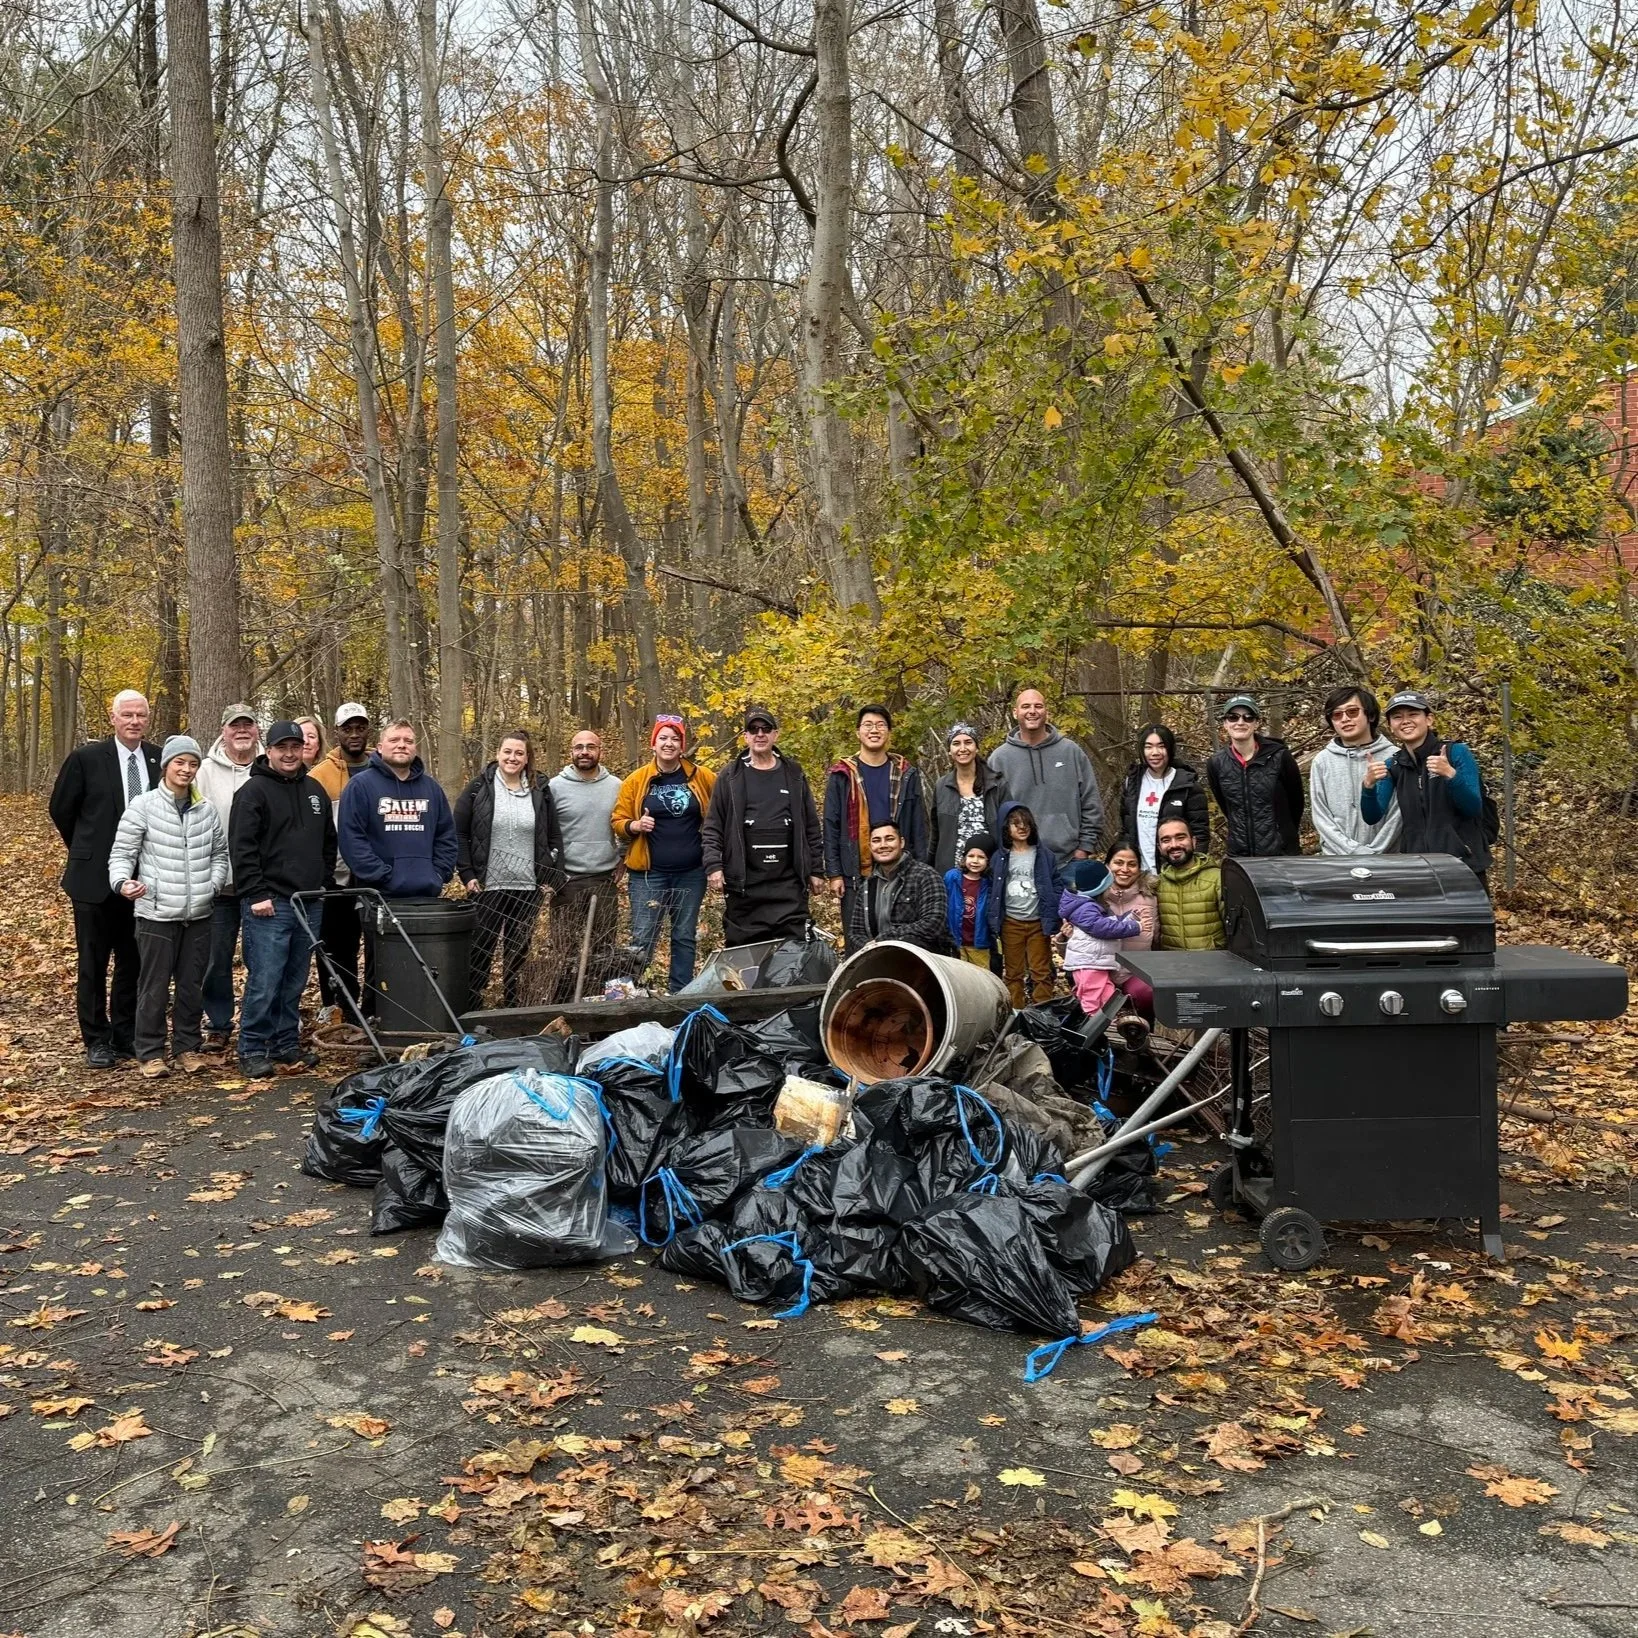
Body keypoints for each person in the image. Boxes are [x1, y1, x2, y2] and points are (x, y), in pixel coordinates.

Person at [49, 689, 162, 1068]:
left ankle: (124, 1033)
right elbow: (62, 809)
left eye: (140, 715)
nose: (134, 721)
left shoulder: (158, 758)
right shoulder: (86, 758)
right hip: (93, 879)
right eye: (127, 715)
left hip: (142, 879)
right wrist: (87, 848)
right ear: (113, 718)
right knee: (93, 962)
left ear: (148, 719)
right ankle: (96, 1038)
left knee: (133, 961)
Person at [107, 735, 229, 1078]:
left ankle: (187, 1049)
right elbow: (122, 853)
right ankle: (149, 1052)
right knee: (154, 986)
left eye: (192, 764)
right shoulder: (144, 806)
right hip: (156, 914)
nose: (186, 769)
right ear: (166, 766)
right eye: (180, 762)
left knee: (192, 986)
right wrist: (122, 882)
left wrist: (213, 885)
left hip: (199, 914)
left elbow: (220, 855)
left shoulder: (206, 810)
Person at [230, 721, 338, 1078]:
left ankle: (285, 1044)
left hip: (309, 901)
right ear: (269, 750)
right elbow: (242, 849)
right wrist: (256, 893)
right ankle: (252, 1048)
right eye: (282, 748)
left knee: (294, 979)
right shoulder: (253, 792)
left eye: (295, 747)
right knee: (265, 979)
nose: (289, 754)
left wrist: (321, 883)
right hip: (269, 904)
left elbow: (328, 842)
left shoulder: (314, 790)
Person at [456, 729, 563, 1009]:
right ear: (498, 754)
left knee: (518, 953)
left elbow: (553, 836)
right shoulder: (479, 788)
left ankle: (512, 1008)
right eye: (508, 752)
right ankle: (471, 1009)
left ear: (527, 758)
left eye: (519, 753)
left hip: (527, 887)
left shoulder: (540, 790)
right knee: (480, 950)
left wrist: (551, 871)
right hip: (487, 885)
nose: (512, 757)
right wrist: (467, 874)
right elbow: (459, 834)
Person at [702, 707, 825, 946]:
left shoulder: (794, 773)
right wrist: (714, 865)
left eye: (766, 729)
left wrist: (816, 870)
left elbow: (811, 825)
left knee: (794, 954)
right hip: (745, 887)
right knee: (745, 958)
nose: (760, 734)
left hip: (789, 886)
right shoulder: (730, 776)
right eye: (753, 729)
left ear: (775, 735)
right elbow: (713, 826)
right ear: (746, 736)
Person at [611, 715, 716, 993]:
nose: (669, 744)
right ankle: (633, 992)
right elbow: (618, 821)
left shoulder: (701, 777)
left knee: (684, 935)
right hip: (648, 874)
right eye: (664, 738)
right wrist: (635, 825)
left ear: (682, 745)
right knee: (643, 937)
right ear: (653, 744)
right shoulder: (636, 781)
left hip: (692, 872)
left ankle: (679, 991)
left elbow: (722, 810)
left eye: (675, 739)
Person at [824, 705, 929, 954]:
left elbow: (918, 824)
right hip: (855, 870)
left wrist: (921, 866)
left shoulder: (904, 773)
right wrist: (835, 873)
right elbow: (831, 823)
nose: (874, 730)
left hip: (900, 868)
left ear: (889, 732)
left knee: (902, 939)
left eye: (880, 725)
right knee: (858, 941)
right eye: (868, 725)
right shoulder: (843, 775)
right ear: (858, 732)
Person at [1362, 690, 1492, 883]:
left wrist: (1450, 775)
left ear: (1429, 719)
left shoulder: (1456, 753)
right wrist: (1368, 786)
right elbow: (1372, 816)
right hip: (1418, 868)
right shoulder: (1394, 765)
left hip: (1463, 864)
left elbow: (1473, 807)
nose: (1405, 721)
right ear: (1390, 726)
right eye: (1397, 717)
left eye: (1413, 714)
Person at [195, 703, 263, 1050]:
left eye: (247, 725)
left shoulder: (269, 767)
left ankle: (256, 1025)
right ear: (223, 731)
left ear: (256, 730)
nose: (242, 731)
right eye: (235, 726)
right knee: (216, 959)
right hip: (218, 883)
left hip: (261, 885)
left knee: (261, 959)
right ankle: (219, 1024)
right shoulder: (204, 771)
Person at [337, 719, 457, 899]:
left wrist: (438, 874)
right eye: (394, 740)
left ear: (414, 748)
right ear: (379, 747)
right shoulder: (360, 786)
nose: (402, 745)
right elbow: (352, 840)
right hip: (377, 896)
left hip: (427, 894)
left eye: (408, 741)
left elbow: (446, 836)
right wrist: (381, 876)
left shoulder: (431, 788)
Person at [986, 688, 1105, 866]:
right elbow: (991, 813)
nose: (1032, 711)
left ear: (1046, 712)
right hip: (1017, 861)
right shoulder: (999, 759)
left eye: (1038, 706)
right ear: (1015, 712)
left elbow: (1090, 801)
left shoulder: (1070, 752)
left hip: (1068, 860)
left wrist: (1084, 847)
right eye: (1026, 706)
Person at [309, 704, 374, 1022]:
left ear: (367, 731)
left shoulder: (382, 767)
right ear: (336, 732)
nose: (354, 734)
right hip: (337, 877)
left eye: (359, 727)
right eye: (347, 728)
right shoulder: (320, 775)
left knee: (378, 943)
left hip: (377, 875)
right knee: (337, 946)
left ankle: (375, 1008)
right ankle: (339, 1007)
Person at [548, 728, 623, 998]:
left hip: (604, 879)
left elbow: (623, 824)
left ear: (600, 751)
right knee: (564, 951)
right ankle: (564, 1003)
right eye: (578, 747)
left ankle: (597, 1003)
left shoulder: (616, 785)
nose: (584, 752)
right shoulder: (555, 786)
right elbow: (545, 831)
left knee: (603, 949)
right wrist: (551, 870)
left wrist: (623, 856)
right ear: (571, 752)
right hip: (567, 881)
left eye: (590, 746)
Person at [988, 800, 1066, 1008]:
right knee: (1013, 972)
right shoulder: (1000, 857)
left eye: (1026, 823)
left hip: (1038, 923)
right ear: (1006, 828)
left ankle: (1043, 1013)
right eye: (1016, 823)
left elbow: (1056, 883)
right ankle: (1016, 1014)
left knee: (1041, 971)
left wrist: (1055, 906)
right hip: (1011, 923)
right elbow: (992, 889)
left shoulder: (1044, 855)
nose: (1022, 827)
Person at [1205, 695, 1305, 858]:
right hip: (1240, 854)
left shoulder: (1280, 757)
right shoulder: (1216, 763)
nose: (1240, 722)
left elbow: (1296, 803)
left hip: (1281, 854)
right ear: (1225, 723)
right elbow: (1227, 807)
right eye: (1233, 717)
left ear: (1257, 723)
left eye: (1248, 717)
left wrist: (1283, 837)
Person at [1310, 686, 1402, 857]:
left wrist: (1375, 851)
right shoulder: (1322, 761)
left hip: (1388, 860)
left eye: (1352, 712)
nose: (1345, 719)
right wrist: (1352, 850)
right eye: (1337, 715)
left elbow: (1399, 813)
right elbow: (1320, 815)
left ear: (1371, 715)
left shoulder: (1395, 757)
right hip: (1337, 859)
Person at [844, 820, 953, 953]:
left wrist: (883, 941)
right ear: (870, 846)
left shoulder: (926, 876)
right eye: (876, 841)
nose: (883, 845)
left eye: (889, 839)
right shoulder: (867, 886)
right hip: (879, 960)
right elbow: (856, 931)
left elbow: (933, 923)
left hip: (926, 962)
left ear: (901, 842)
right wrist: (869, 948)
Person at [1058, 859, 1144, 1017]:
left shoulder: (1091, 907)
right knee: (1091, 1001)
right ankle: (1090, 1029)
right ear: (1099, 889)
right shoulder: (1085, 909)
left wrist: (1129, 918)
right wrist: (1133, 927)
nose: (1111, 889)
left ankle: (1104, 1024)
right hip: (1088, 964)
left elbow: (1107, 923)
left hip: (1096, 963)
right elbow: (1102, 929)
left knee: (1107, 997)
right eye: (1108, 886)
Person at [1118, 724, 1209, 872]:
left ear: (1170, 749)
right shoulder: (1133, 782)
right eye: (1148, 747)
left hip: (1174, 872)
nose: (1155, 752)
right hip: (1138, 872)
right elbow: (1125, 829)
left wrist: (1191, 870)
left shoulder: (1187, 785)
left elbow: (1200, 834)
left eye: (1161, 746)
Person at [929, 721, 1008, 874]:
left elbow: (1008, 831)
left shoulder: (996, 784)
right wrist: (929, 868)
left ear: (976, 748)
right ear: (949, 751)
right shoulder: (942, 786)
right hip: (951, 872)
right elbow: (935, 834)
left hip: (989, 870)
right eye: (956, 743)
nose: (963, 748)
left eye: (968, 742)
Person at [1104, 839, 1158, 1018]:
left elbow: (1158, 936)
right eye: (1118, 863)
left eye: (1131, 864)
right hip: (1100, 970)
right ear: (1107, 864)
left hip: (1134, 972)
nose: (1125, 869)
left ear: (1139, 868)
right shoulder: (1093, 897)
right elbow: (1075, 947)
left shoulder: (1150, 898)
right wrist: (1063, 941)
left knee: (1146, 992)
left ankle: (1145, 1033)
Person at [1154, 816, 1225, 951]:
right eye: (1166, 840)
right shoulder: (1156, 884)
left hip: (1213, 965)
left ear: (1193, 841)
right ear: (1159, 847)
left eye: (1180, 837)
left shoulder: (1217, 879)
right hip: (1171, 965)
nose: (1174, 845)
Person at [944, 831, 997, 967]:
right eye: (971, 856)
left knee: (982, 976)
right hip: (956, 941)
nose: (975, 861)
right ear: (964, 857)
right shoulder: (952, 877)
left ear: (989, 860)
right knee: (958, 975)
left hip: (979, 942)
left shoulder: (990, 883)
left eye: (981, 857)